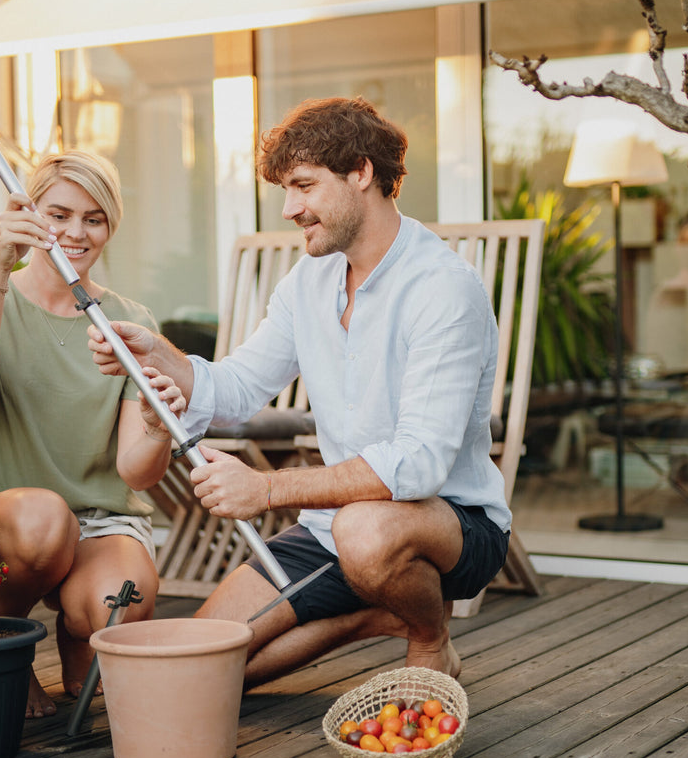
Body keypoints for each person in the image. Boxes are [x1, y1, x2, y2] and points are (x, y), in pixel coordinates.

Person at [88, 96, 511, 688]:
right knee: (193, 674)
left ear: (362, 173)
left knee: (365, 530)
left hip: (449, 526)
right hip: (332, 527)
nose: (290, 209)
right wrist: (159, 354)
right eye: (287, 190)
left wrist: (265, 488)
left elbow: (419, 464)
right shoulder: (309, 280)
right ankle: (373, 616)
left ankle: (428, 637)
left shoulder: (442, 289)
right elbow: (236, 388)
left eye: (304, 186)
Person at [0, 150, 184, 717]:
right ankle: (4, 644)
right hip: (9, 521)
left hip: (98, 521)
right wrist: (0, 264)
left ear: (109, 227)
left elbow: (134, 471)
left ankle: (77, 634)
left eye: (94, 218)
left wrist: (156, 427)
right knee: (46, 520)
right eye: (60, 214)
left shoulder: (128, 321)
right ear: (29, 214)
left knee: (123, 604)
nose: (76, 232)